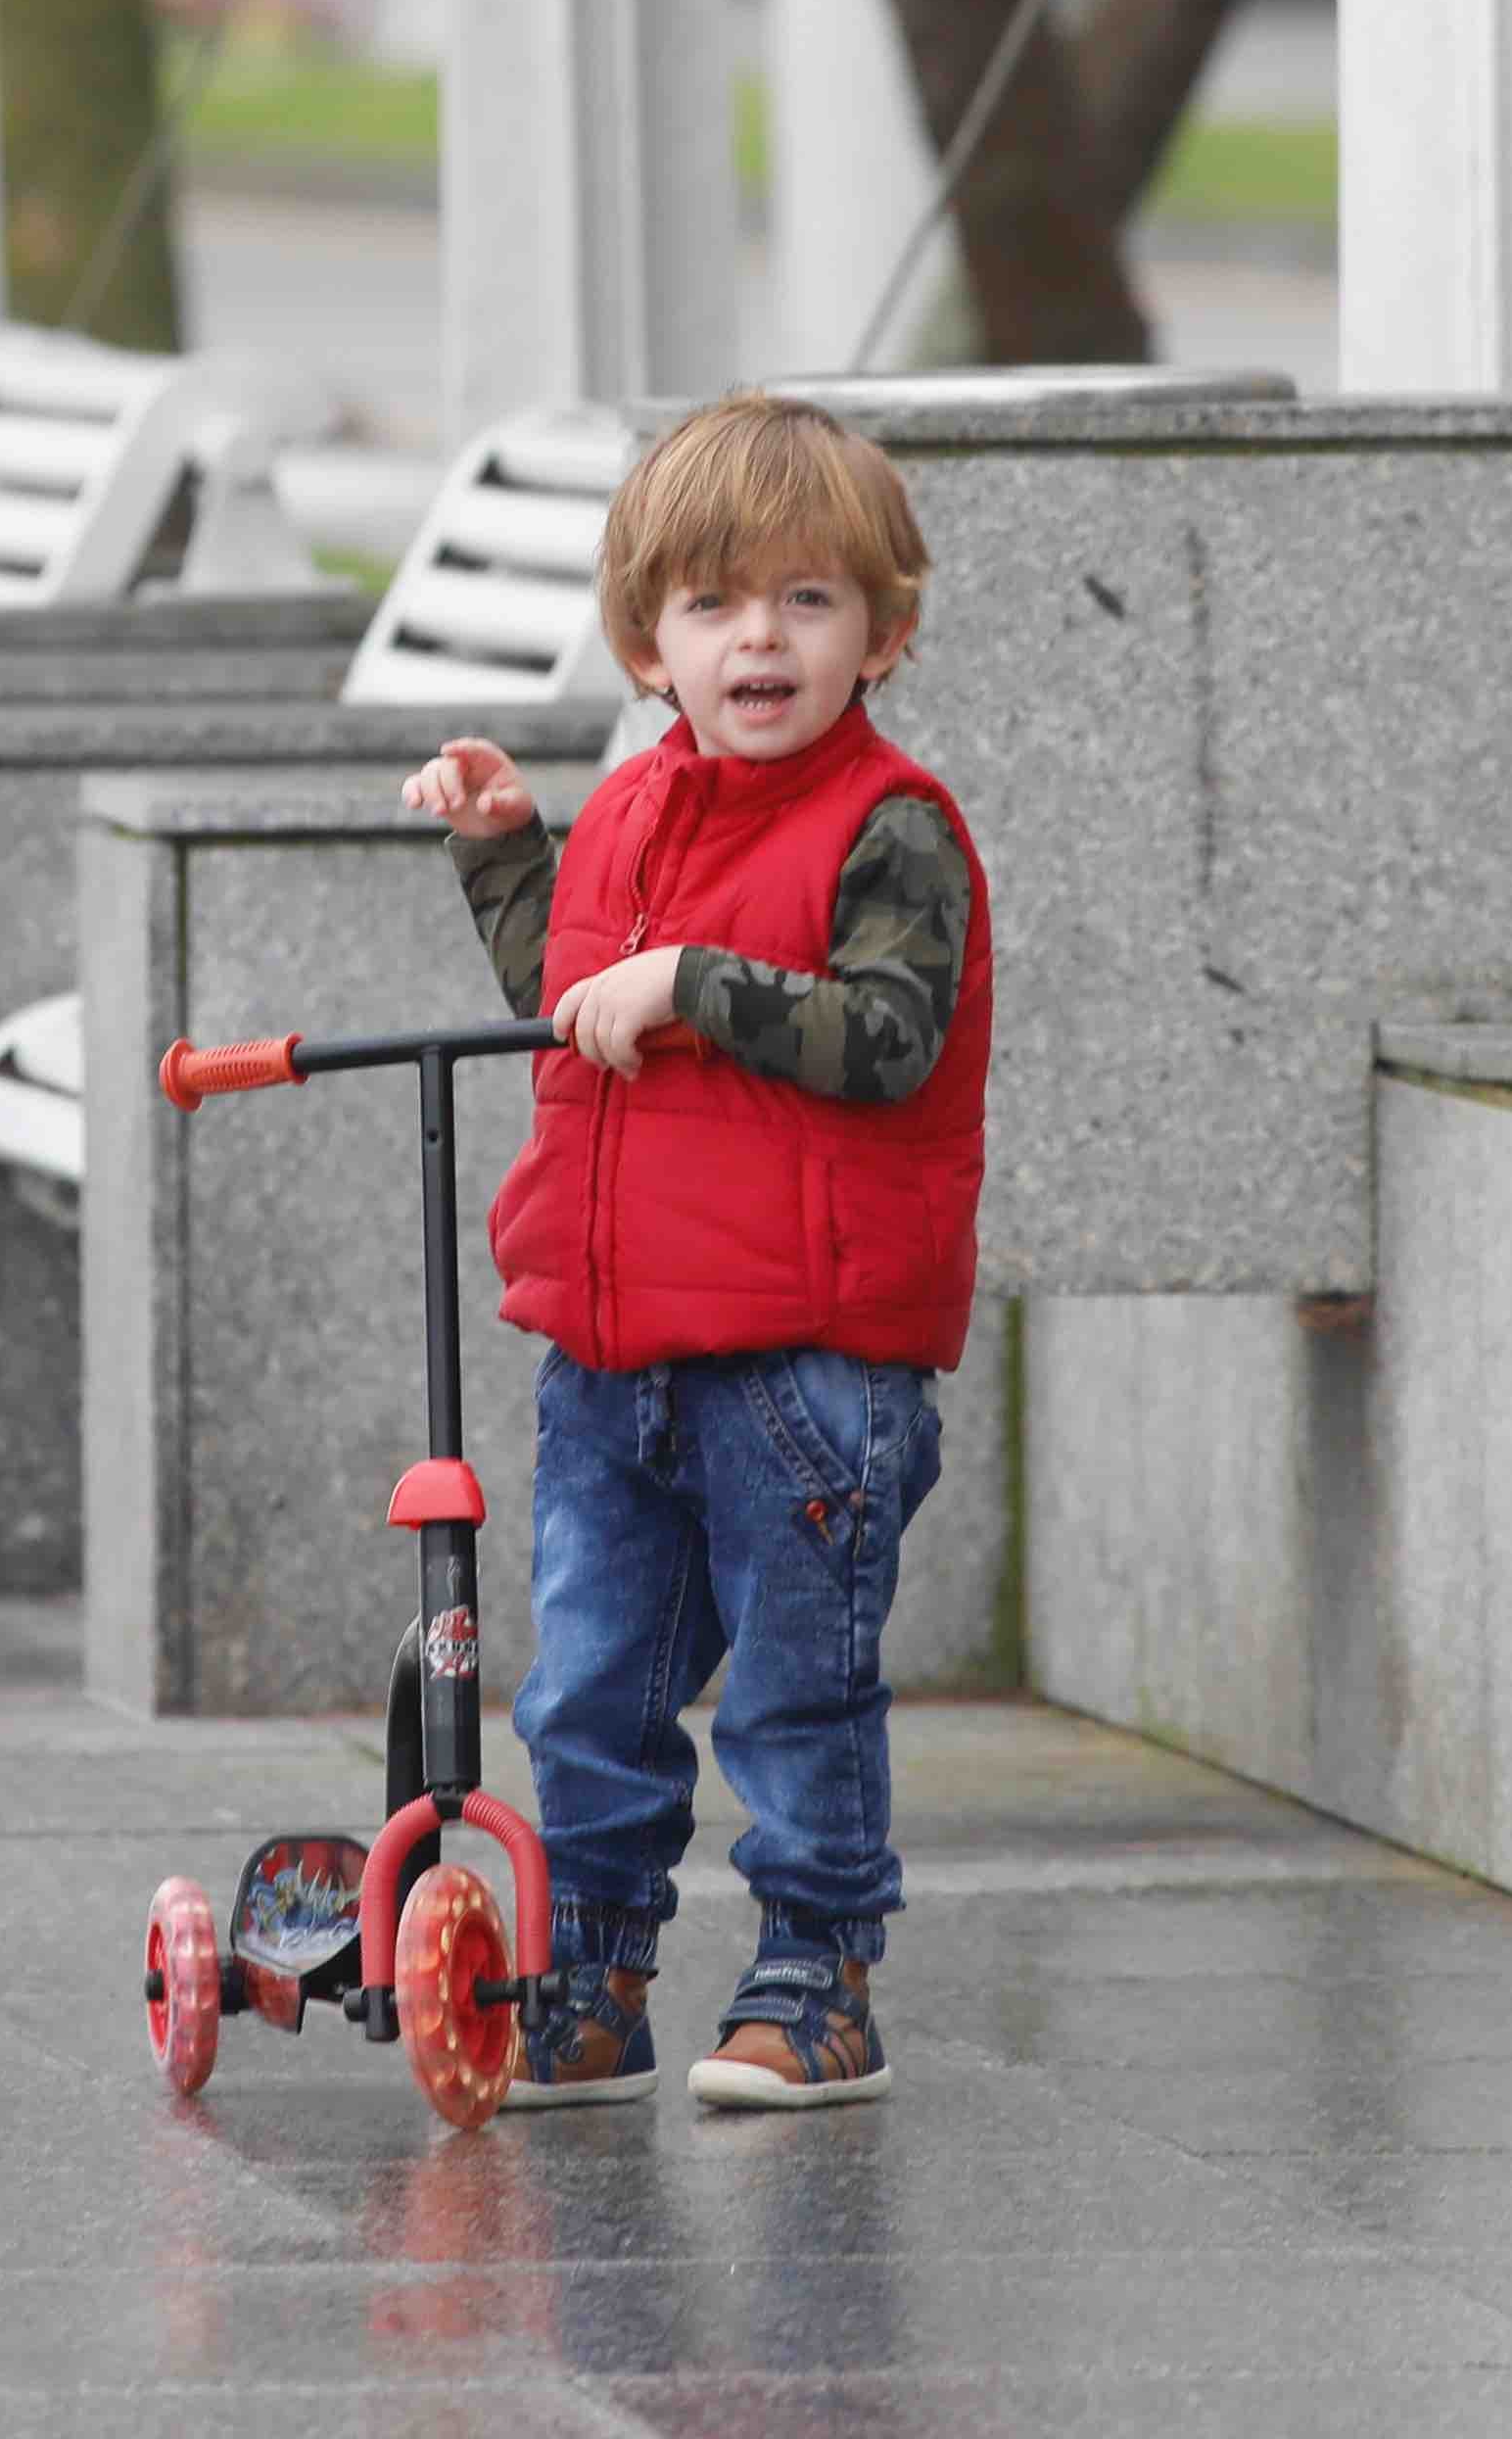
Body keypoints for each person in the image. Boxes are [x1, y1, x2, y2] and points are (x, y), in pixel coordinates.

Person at [396, 392, 996, 2111]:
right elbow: (574, 1006)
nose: (763, 639)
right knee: (587, 1688)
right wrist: (510, 855)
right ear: (649, 645)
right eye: (719, 605)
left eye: (809, 602)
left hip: (807, 1361)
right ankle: (590, 1964)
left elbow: (887, 1034)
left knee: (799, 1697)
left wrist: (698, 988)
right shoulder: (640, 813)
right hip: (617, 1354)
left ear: (880, 631)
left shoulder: (895, 829)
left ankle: (817, 1978)